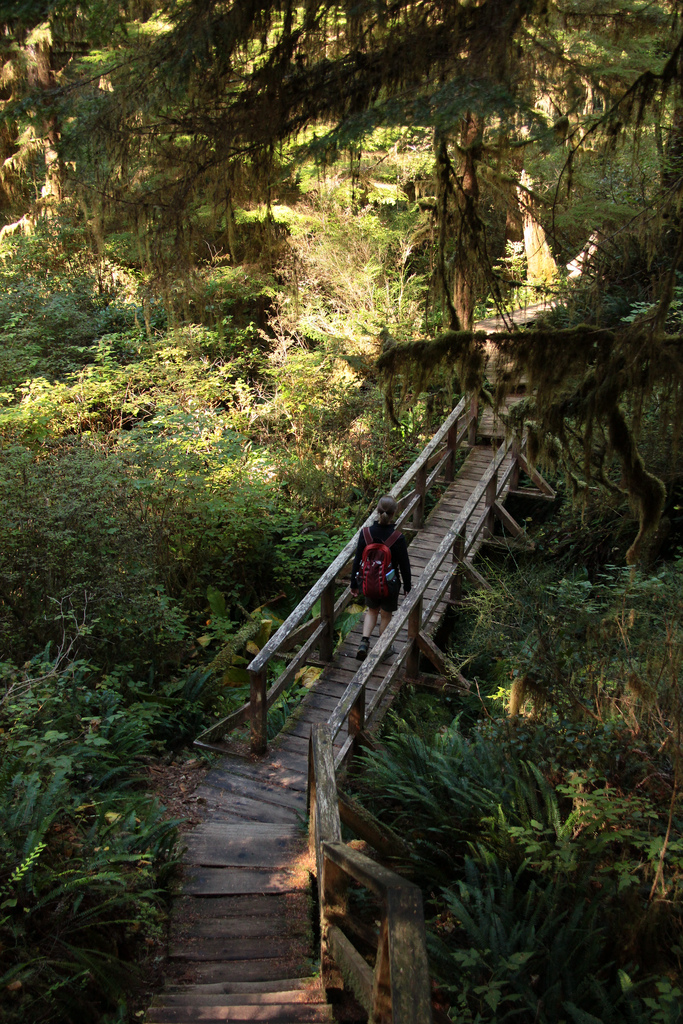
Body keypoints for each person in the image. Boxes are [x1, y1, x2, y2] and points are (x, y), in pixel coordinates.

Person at [350, 495, 412, 661]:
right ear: (393, 514)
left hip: (369, 581)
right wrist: (407, 586)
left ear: (377, 511)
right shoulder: (397, 538)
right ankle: (382, 649)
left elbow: (357, 560)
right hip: (389, 584)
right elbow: (404, 565)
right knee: (385, 614)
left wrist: (354, 584)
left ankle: (364, 642)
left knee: (371, 611)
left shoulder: (366, 533)